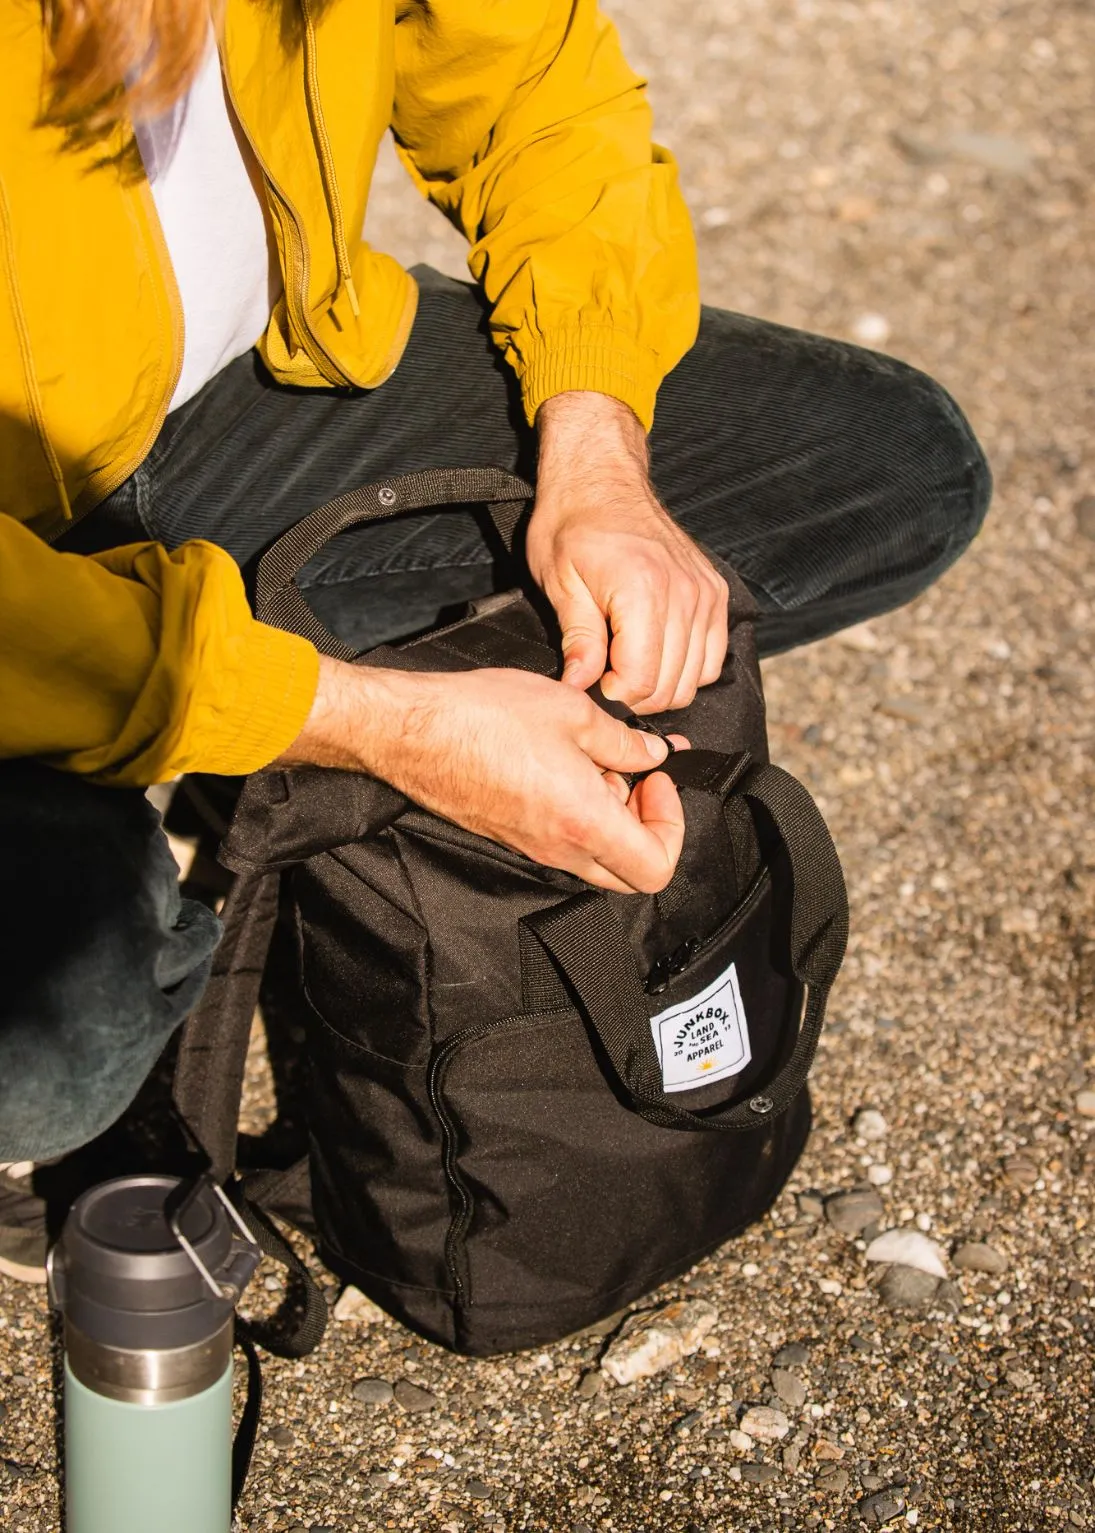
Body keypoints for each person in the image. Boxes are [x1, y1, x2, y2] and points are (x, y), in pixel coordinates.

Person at [0, 0, 991, 1282]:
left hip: (234, 409)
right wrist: (381, 725)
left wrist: (597, 444)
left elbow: (535, 89)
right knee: (50, 1050)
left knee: (889, 472)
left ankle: (259, 764)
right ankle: (197, 789)